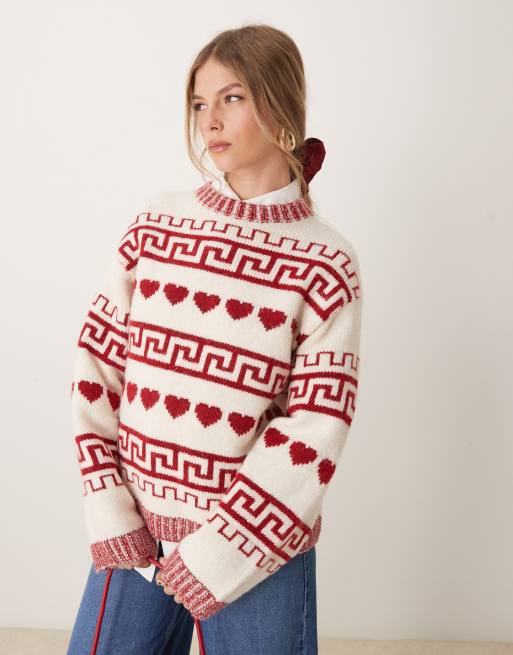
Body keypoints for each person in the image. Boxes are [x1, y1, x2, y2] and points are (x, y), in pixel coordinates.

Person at [66, 23, 363, 655]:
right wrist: (109, 508)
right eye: (200, 104)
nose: (211, 120)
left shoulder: (326, 261)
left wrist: (219, 553)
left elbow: (316, 427)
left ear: (280, 104)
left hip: (256, 553)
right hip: (136, 539)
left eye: (232, 98)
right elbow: (97, 368)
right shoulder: (156, 224)